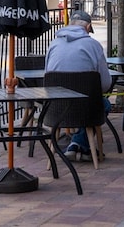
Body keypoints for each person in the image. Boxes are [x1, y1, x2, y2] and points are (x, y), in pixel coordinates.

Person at [45, 10, 112, 162]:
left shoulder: (53, 44)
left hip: (56, 108)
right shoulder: (93, 45)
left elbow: (47, 76)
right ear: (88, 27)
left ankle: (78, 145)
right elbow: (105, 85)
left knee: (91, 106)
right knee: (105, 105)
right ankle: (77, 144)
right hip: (86, 108)